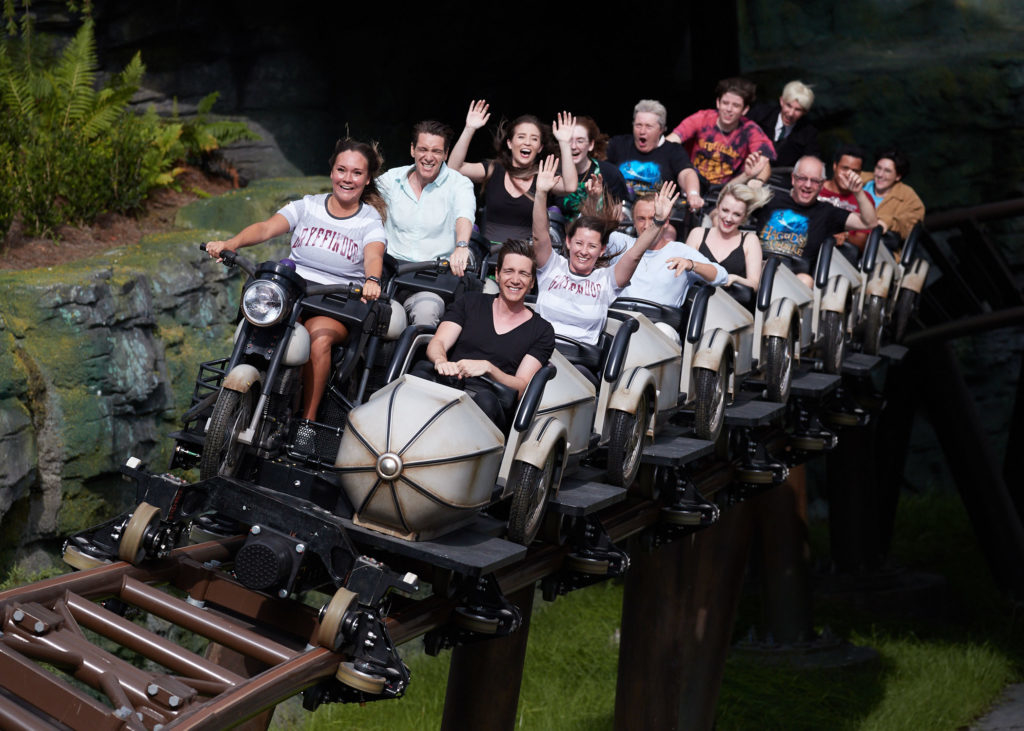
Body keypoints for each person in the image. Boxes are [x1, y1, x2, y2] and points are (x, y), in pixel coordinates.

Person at [205, 138, 387, 423]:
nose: (347, 178)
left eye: (356, 173)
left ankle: (308, 422)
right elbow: (266, 228)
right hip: (293, 294)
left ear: (366, 180)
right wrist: (231, 243)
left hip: (337, 302)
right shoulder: (308, 205)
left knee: (318, 339)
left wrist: (372, 279)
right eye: (341, 170)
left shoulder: (369, 220)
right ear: (332, 172)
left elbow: (374, 254)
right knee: (264, 323)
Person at [532, 155, 678, 349]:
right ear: (568, 242)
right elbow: (539, 236)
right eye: (579, 243)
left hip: (576, 360)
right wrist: (541, 193)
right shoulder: (552, 266)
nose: (584, 251)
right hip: (539, 352)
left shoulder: (606, 280)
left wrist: (657, 223)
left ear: (601, 250)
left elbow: (634, 254)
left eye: (592, 246)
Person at [416, 239, 555, 430]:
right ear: (497, 274)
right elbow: (438, 342)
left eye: (523, 273)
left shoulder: (542, 330)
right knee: (421, 373)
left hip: (491, 401)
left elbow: (521, 386)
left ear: (532, 282)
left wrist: (489, 368)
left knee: (485, 401)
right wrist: (441, 361)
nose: (515, 280)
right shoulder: (470, 302)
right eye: (509, 271)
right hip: (451, 385)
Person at [376, 120, 476, 326]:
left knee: (427, 312)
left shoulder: (459, 184)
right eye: (423, 149)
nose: (429, 157)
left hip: (431, 279)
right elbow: (364, 203)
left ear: (446, 154)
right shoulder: (392, 179)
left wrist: (461, 246)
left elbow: (464, 214)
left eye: (436, 151)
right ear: (413, 150)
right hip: (389, 273)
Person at [447, 100, 578, 243]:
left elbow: (570, 186)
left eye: (534, 139)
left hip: (527, 253)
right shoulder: (493, 169)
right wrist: (469, 128)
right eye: (521, 137)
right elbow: (454, 168)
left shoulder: (543, 177)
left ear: (540, 148)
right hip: (490, 253)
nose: (527, 142)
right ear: (510, 143)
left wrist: (564, 143)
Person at [753, 155, 878, 288]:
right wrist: (749, 177)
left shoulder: (827, 212)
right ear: (793, 179)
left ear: (822, 184)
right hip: (756, 268)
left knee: (805, 280)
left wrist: (858, 192)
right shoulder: (770, 198)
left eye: (815, 181)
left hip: (791, 281)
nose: (808, 185)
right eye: (802, 178)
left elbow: (869, 223)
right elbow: (736, 199)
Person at [605, 192, 727, 309]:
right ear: (634, 222)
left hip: (660, 321)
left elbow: (722, 276)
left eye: (653, 219)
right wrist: (596, 197)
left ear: (666, 222)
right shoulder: (620, 243)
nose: (647, 226)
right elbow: (595, 230)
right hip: (619, 315)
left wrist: (691, 265)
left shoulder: (680, 251)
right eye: (641, 219)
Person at [666, 77, 777, 190]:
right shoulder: (702, 118)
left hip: (727, 190)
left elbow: (764, 163)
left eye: (736, 105)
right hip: (691, 183)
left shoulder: (750, 130)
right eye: (725, 103)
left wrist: (757, 181)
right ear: (718, 103)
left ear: (745, 110)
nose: (729, 109)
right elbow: (669, 142)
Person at [678, 180, 772, 308]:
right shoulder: (697, 234)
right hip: (694, 304)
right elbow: (683, 274)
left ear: (744, 217)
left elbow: (754, 285)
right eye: (725, 210)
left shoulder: (750, 240)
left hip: (732, 309)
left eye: (736, 214)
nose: (728, 218)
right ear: (718, 207)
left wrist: (735, 279)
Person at [605, 99, 702, 209]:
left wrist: (693, 194)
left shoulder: (674, 150)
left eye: (648, 126)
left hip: (658, 211)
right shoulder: (618, 144)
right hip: (621, 210)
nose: (642, 131)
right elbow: (599, 167)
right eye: (638, 125)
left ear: (661, 129)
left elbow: (686, 173)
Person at [558, 116, 628, 217]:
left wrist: (594, 199)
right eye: (568, 140)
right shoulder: (554, 173)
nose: (573, 146)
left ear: (591, 145)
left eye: (580, 141)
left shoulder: (610, 174)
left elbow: (616, 220)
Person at [817, 144, 875, 254]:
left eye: (855, 171)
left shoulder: (864, 199)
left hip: (841, 254)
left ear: (860, 173)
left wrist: (846, 236)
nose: (849, 174)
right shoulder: (815, 187)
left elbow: (862, 243)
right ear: (835, 166)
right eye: (845, 168)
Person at [860, 148, 925, 244]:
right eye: (878, 168)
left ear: (898, 176)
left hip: (876, 246)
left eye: (887, 171)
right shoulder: (859, 178)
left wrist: (887, 222)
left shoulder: (908, 197)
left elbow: (912, 222)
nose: (880, 174)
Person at [748, 80, 818, 169]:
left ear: (805, 112)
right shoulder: (759, 115)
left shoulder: (808, 134)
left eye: (798, 110)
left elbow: (810, 166)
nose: (791, 113)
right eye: (788, 106)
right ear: (781, 101)